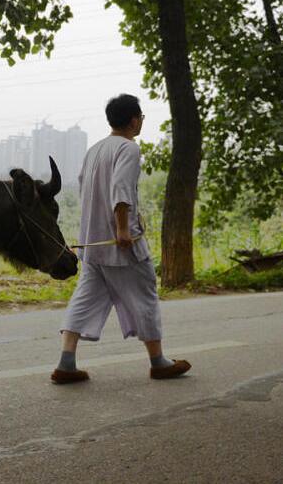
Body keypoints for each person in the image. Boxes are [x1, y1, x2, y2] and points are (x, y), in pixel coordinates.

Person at [51, 93, 191, 384]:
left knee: (84, 299)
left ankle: (66, 363)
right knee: (146, 295)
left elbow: (85, 189)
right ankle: (158, 361)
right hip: (121, 244)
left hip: (94, 244)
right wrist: (123, 229)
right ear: (133, 120)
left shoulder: (95, 150)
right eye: (141, 117)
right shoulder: (128, 148)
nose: (141, 122)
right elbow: (121, 189)